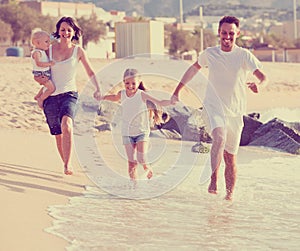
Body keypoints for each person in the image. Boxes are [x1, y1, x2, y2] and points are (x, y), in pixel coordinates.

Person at [171, 16, 267, 200]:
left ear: (237, 34)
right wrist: (177, 91)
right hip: (213, 107)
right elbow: (193, 69)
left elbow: (264, 77)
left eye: (231, 33)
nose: (227, 37)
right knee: (220, 137)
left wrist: (259, 86)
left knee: (230, 159)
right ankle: (213, 180)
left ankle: (229, 198)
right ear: (219, 33)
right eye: (224, 33)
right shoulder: (210, 53)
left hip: (236, 112)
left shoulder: (244, 55)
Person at [34, 16, 101, 175]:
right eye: (62, 29)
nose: (65, 32)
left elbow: (90, 71)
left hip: (69, 95)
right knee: (58, 134)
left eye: (69, 30)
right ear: (58, 31)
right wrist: (40, 91)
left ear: (74, 32)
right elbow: (41, 69)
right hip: (50, 96)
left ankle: (68, 164)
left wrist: (98, 88)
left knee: (67, 126)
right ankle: (65, 161)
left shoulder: (78, 51)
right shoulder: (48, 49)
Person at [101, 68, 173, 180]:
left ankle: (147, 167)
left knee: (141, 158)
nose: (130, 86)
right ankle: (134, 186)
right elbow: (114, 98)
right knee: (131, 162)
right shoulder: (122, 94)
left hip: (141, 132)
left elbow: (158, 102)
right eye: (127, 83)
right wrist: (102, 97)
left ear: (139, 82)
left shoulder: (142, 95)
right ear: (123, 82)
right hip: (127, 133)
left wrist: (170, 102)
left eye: (133, 83)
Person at [31, 30, 56, 109]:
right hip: (41, 75)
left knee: (46, 87)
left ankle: (37, 96)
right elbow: (38, 63)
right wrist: (49, 64)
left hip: (44, 74)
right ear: (37, 43)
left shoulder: (42, 51)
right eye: (46, 42)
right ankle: (41, 99)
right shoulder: (37, 52)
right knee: (52, 89)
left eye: (49, 41)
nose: (49, 44)